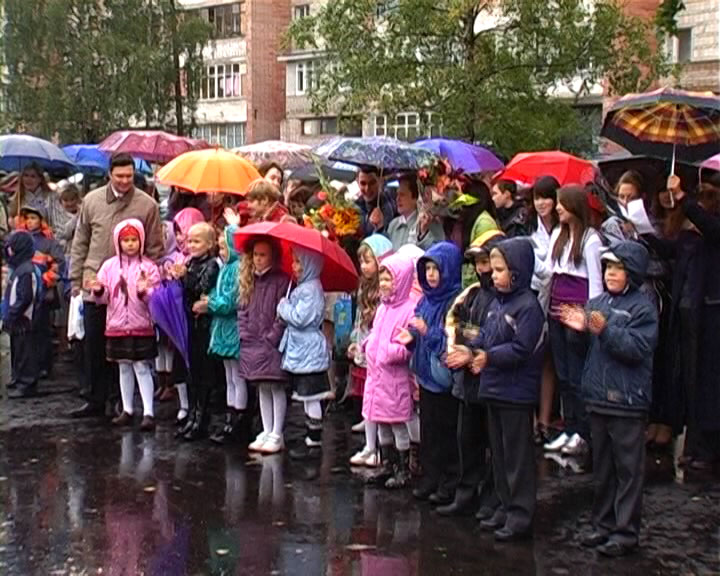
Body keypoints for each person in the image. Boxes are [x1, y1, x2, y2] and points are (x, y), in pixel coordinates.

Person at [559, 241, 658, 557]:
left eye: (618, 268)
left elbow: (638, 348)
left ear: (633, 272)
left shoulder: (643, 307)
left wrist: (604, 331)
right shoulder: (597, 302)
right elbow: (581, 350)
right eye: (608, 268)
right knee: (603, 468)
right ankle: (602, 525)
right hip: (598, 397)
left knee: (627, 470)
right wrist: (576, 331)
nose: (610, 274)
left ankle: (625, 532)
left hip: (627, 401)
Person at [69, 153, 163, 419]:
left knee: (125, 349)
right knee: (94, 343)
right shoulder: (92, 200)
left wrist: (150, 280)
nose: (124, 181)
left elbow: (155, 247)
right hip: (96, 281)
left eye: (129, 176)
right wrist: (76, 278)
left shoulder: (147, 205)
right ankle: (95, 398)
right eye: (119, 176)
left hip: (130, 291)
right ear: (109, 174)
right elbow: (80, 241)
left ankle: (121, 401)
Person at [469, 238, 545, 542]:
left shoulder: (528, 307)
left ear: (517, 272)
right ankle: (503, 503)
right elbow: (486, 335)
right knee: (499, 454)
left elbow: (522, 348)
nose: (494, 275)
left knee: (516, 456)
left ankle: (520, 512)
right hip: (494, 388)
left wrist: (489, 357)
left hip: (515, 391)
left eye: (500, 270)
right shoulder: (497, 303)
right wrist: (470, 346)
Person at [441, 229, 505, 517]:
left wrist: (474, 348)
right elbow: (454, 323)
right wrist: (458, 348)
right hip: (467, 379)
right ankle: (466, 493)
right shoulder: (472, 294)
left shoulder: (504, 297)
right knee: (466, 439)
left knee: (494, 444)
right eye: (478, 263)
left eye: (486, 262)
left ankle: (491, 497)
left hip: (491, 378)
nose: (482, 269)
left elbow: (497, 335)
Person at [397, 242, 462, 505]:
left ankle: (449, 481)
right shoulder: (426, 299)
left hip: (443, 379)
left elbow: (451, 341)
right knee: (429, 431)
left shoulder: (454, 303)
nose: (432, 274)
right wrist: (411, 336)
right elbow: (417, 324)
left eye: (437, 269)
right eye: (428, 269)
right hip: (425, 375)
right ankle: (431, 476)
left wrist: (426, 332)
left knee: (446, 431)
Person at [543, 186, 603, 456]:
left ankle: (583, 432)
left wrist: (590, 317)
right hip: (556, 311)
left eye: (562, 203)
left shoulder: (590, 239)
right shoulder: (558, 233)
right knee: (564, 375)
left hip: (577, 314)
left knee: (577, 376)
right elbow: (548, 271)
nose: (557, 208)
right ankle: (569, 428)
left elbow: (596, 284)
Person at [89, 220, 162, 431]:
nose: (130, 244)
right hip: (117, 325)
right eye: (126, 240)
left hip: (141, 324)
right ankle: (127, 409)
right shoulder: (109, 267)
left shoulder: (148, 267)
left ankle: (148, 411)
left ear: (141, 241)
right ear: (118, 242)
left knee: (141, 366)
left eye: (134, 240)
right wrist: (98, 290)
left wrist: (145, 291)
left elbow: (156, 297)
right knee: (123, 366)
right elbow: (103, 298)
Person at [362, 252, 417, 489]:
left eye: (389, 279)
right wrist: (368, 345)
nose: (384, 284)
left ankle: (403, 468)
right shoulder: (382, 309)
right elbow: (376, 333)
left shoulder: (409, 310)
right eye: (382, 279)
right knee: (381, 423)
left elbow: (409, 346)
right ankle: (387, 464)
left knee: (397, 425)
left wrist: (388, 351)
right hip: (376, 378)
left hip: (394, 380)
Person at [277, 247, 332, 460]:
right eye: (294, 262)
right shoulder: (303, 287)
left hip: (308, 350)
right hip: (301, 349)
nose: (294, 267)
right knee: (306, 396)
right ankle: (310, 436)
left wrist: (284, 308)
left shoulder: (311, 289)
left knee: (311, 396)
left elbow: (301, 318)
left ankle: (313, 439)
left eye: (299, 262)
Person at [239, 236, 291, 454]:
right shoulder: (250, 280)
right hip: (252, 341)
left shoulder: (282, 281)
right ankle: (266, 428)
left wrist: (272, 336)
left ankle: (277, 432)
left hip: (271, 343)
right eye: (255, 255)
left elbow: (282, 315)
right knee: (261, 386)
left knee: (275, 386)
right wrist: (244, 331)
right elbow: (242, 308)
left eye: (263, 255)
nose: (258, 259)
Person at [348, 234, 393, 467]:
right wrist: (354, 340)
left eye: (368, 261)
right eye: (361, 262)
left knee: (376, 401)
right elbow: (359, 321)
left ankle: (377, 447)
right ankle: (369, 444)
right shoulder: (363, 288)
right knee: (368, 399)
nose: (364, 266)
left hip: (376, 352)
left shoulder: (384, 292)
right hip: (364, 349)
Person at [174, 223, 221, 441]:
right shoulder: (190, 262)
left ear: (209, 244)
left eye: (197, 241)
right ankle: (192, 415)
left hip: (204, 325)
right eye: (189, 241)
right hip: (189, 323)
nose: (191, 245)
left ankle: (202, 418)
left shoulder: (212, 265)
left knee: (204, 374)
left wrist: (185, 277)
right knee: (191, 373)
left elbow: (200, 287)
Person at [203, 217, 246, 445]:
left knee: (237, 376)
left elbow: (230, 301)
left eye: (224, 247)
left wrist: (210, 304)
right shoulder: (225, 269)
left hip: (233, 327)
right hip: (222, 327)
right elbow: (219, 293)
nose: (221, 252)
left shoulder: (237, 270)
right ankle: (230, 417)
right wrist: (210, 298)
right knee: (229, 375)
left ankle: (238, 419)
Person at [527, 176, 560, 445]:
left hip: (558, 300)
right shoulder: (526, 226)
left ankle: (545, 420)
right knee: (530, 359)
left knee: (550, 361)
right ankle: (529, 420)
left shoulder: (565, 229)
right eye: (537, 197)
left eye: (546, 197)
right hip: (533, 298)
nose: (541, 203)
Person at [16, 205, 65, 378]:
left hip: (42, 292)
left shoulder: (49, 242)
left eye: (34, 218)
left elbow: (59, 263)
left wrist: (48, 278)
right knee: (23, 331)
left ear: (41, 220)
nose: (30, 222)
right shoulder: (19, 238)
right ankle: (25, 366)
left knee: (42, 330)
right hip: (22, 291)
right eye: (27, 218)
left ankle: (44, 365)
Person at [2, 231, 42, 398]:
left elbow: (25, 297)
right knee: (18, 350)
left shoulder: (26, 270)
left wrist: (13, 313)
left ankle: (27, 383)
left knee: (26, 352)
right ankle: (18, 378)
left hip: (24, 318)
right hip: (18, 318)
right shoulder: (20, 268)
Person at [154, 221, 186, 405]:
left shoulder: (177, 257)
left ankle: (170, 383)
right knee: (160, 346)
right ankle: (161, 381)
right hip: (158, 307)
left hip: (172, 308)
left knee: (169, 346)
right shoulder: (156, 258)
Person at [386, 175, 444, 251]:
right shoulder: (393, 225)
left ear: (416, 198)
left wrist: (423, 233)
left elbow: (437, 251)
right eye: (397, 194)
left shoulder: (430, 223)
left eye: (402, 195)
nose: (397, 199)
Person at [9, 163, 63, 229]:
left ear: (40, 179)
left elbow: (58, 222)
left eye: (33, 176)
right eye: (26, 175)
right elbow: (11, 217)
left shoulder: (51, 196)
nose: (28, 179)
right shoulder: (18, 197)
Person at [355, 166, 396, 236]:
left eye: (372, 183)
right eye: (363, 183)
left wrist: (380, 227)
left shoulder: (388, 207)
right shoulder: (355, 205)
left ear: (381, 182)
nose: (367, 189)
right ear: (357, 182)